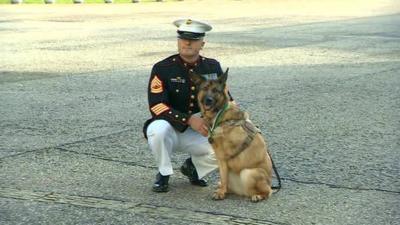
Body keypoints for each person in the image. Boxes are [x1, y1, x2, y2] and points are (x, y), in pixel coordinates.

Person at [143, 18, 228, 192]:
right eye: (183, 38)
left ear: (202, 44)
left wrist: (243, 123)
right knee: (156, 129)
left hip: (200, 130)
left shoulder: (212, 66)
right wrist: (189, 120)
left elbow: (226, 100)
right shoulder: (163, 68)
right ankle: (163, 173)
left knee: (229, 146)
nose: (187, 42)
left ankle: (193, 168)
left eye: (193, 39)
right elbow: (157, 106)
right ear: (178, 41)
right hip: (171, 128)